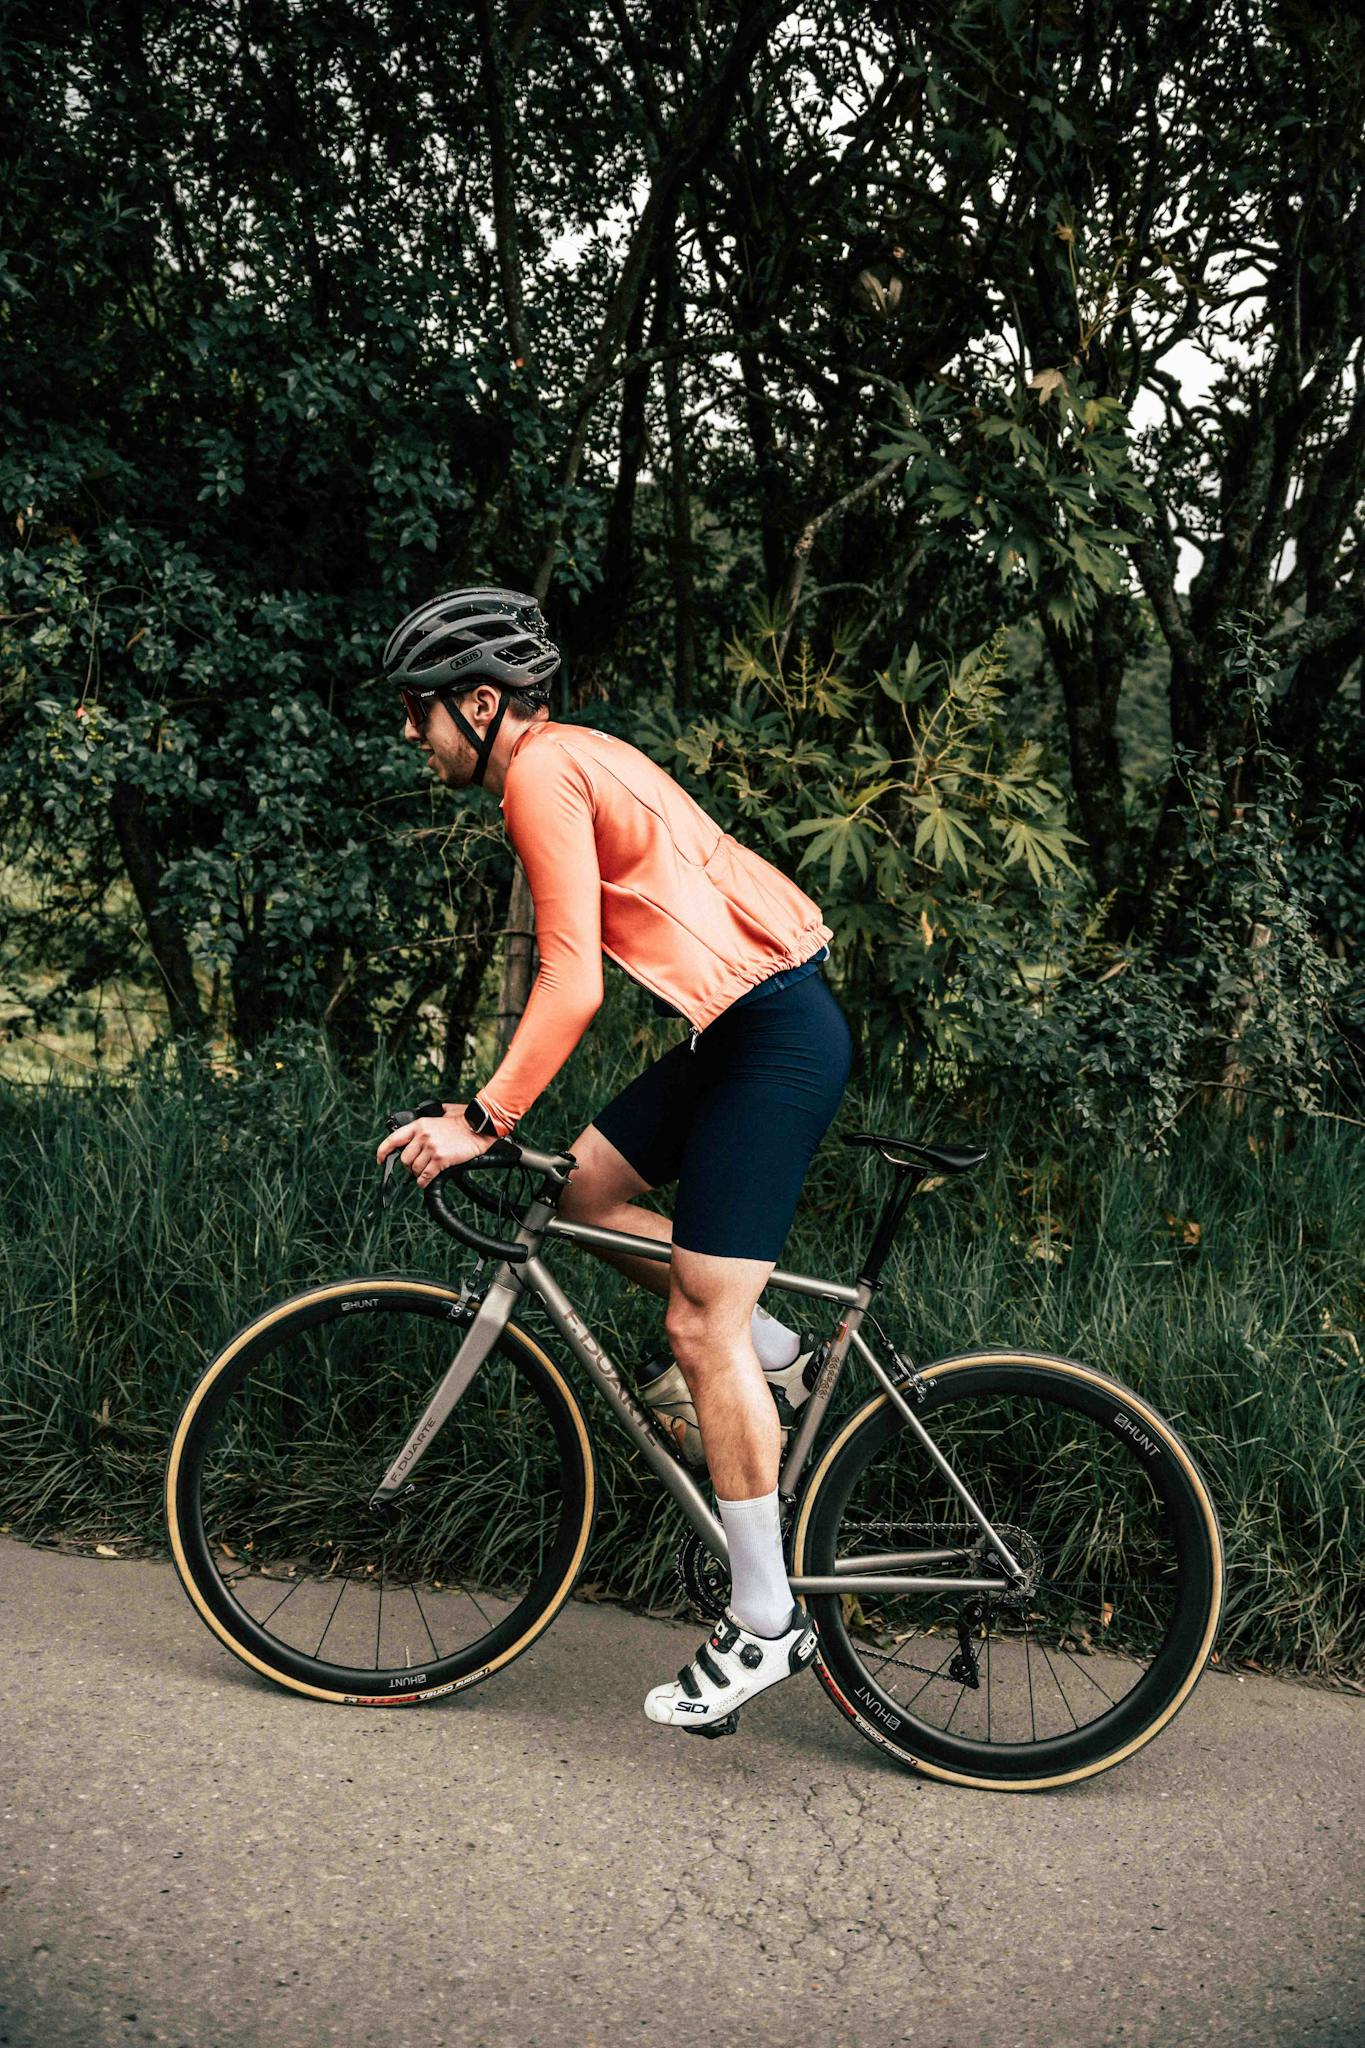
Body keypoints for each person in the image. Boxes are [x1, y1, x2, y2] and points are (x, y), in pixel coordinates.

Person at [375, 587, 853, 1733]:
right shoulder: (569, 756)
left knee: (697, 1324)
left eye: (421, 710)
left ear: (483, 703)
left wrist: (483, 1119)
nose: (411, 733)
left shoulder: (542, 773)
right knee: (580, 1192)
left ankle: (765, 1617)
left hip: (773, 1033)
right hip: (745, 1025)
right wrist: (492, 1109)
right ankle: (777, 1352)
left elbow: (572, 980)